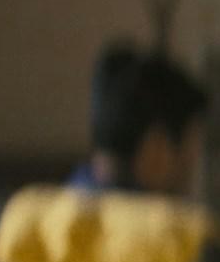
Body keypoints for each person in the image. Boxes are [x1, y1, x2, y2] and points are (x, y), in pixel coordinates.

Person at [67, 42, 210, 196]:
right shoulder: (163, 212)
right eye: (189, 149)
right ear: (157, 148)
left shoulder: (62, 202)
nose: (192, 164)